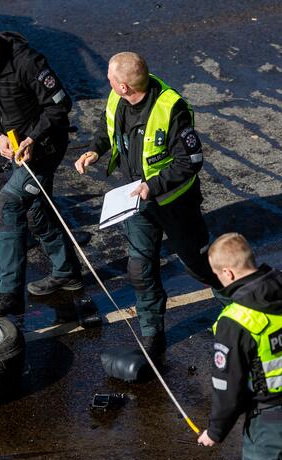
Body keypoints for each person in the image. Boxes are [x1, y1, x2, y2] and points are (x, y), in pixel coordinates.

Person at [74, 51, 222, 355]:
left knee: (198, 264)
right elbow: (107, 127)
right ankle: (152, 333)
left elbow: (191, 160)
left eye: (111, 79)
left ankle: (234, 308)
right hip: (136, 201)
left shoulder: (171, 108)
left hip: (175, 203)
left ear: (124, 86)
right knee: (140, 267)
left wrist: (151, 187)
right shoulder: (117, 99)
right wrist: (95, 150)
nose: (108, 82)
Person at [0, 27, 82, 317]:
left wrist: (33, 138)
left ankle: (9, 295)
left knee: (8, 204)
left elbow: (61, 105)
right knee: (36, 210)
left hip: (45, 147)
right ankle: (67, 272)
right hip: (14, 149)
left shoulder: (28, 63)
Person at [197, 233, 282, 460]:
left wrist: (215, 431)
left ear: (228, 273)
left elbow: (228, 387)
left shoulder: (236, 320)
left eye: (218, 274)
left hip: (272, 429)